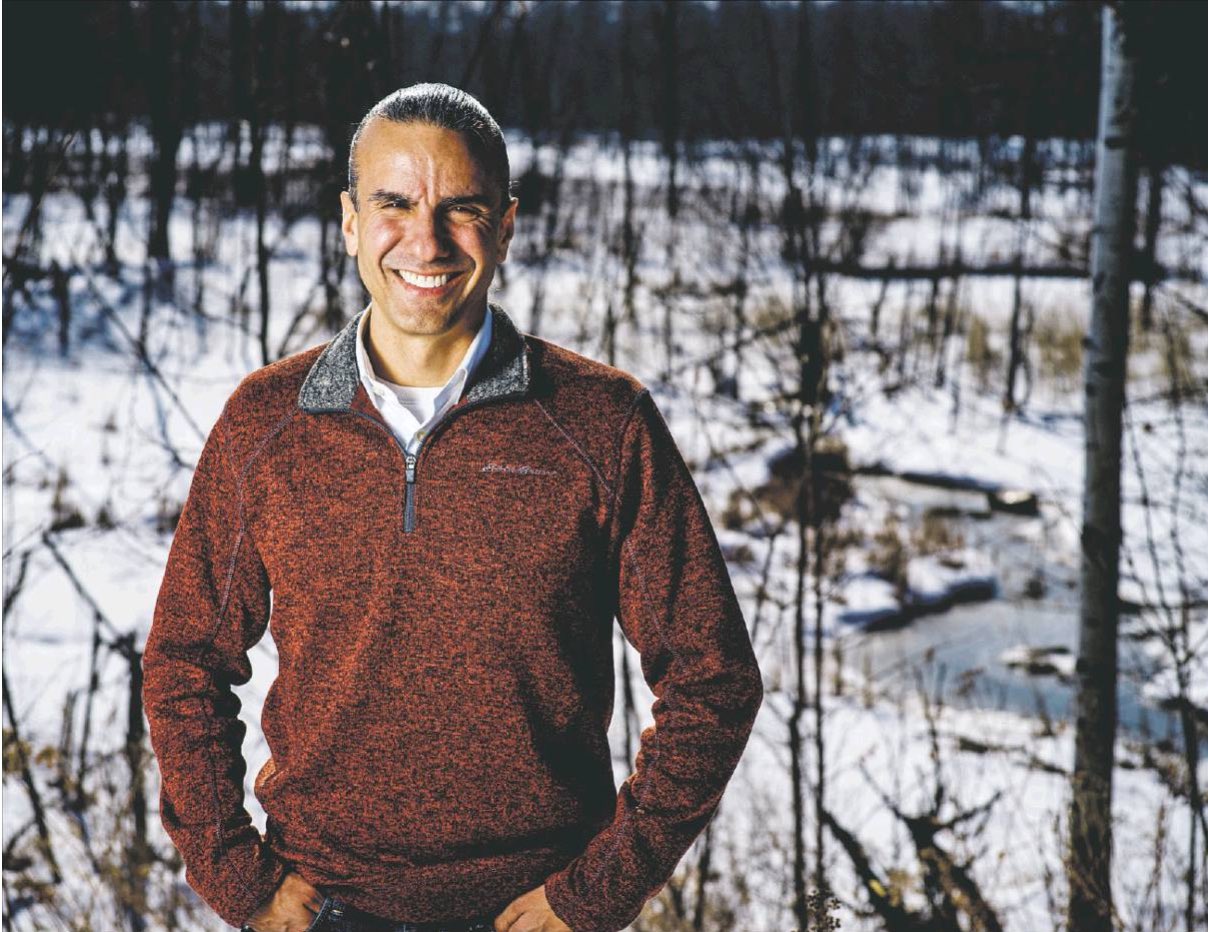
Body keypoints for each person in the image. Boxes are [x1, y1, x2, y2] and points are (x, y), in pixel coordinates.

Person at [142, 83, 763, 932]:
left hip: (536, 910)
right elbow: (183, 660)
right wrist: (237, 874)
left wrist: (595, 894)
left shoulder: (599, 420)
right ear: (352, 222)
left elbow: (714, 677)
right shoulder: (267, 423)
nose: (425, 240)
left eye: (460, 208)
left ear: (505, 225)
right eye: (394, 203)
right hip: (326, 908)